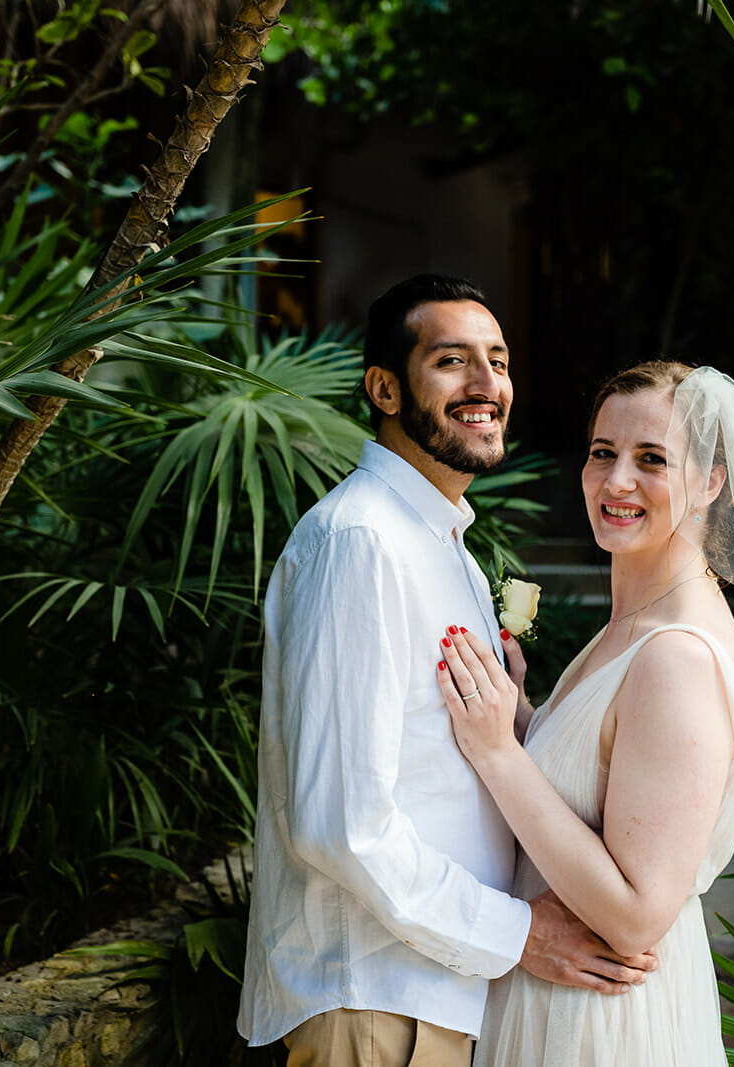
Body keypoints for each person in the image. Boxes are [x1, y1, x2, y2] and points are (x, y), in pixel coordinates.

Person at [238, 275, 656, 1067]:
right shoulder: (362, 542)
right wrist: (520, 933)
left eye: (498, 360)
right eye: (452, 361)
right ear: (385, 388)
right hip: (375, 1002)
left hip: (435, 994)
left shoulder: (445, 548)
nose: (486, 383)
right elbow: (343, 825)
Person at [435, 361, 734, 1065]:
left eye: (652, 459)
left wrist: (497, 751)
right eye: (603, 452)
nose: (617, 480)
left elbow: (635, 914)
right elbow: (598, 788)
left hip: (601, 1022)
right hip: (553, 996)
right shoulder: (629, 626)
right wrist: (525, 719)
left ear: (711, 482)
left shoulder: (677, 656)